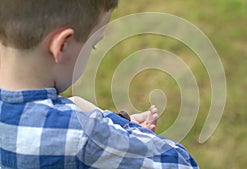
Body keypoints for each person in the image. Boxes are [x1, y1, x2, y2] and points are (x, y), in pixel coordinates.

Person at [0, 0, 199, 168]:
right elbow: (180, 162)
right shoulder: (80, 134)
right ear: (63, 46)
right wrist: (122, 128)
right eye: (93, 45)